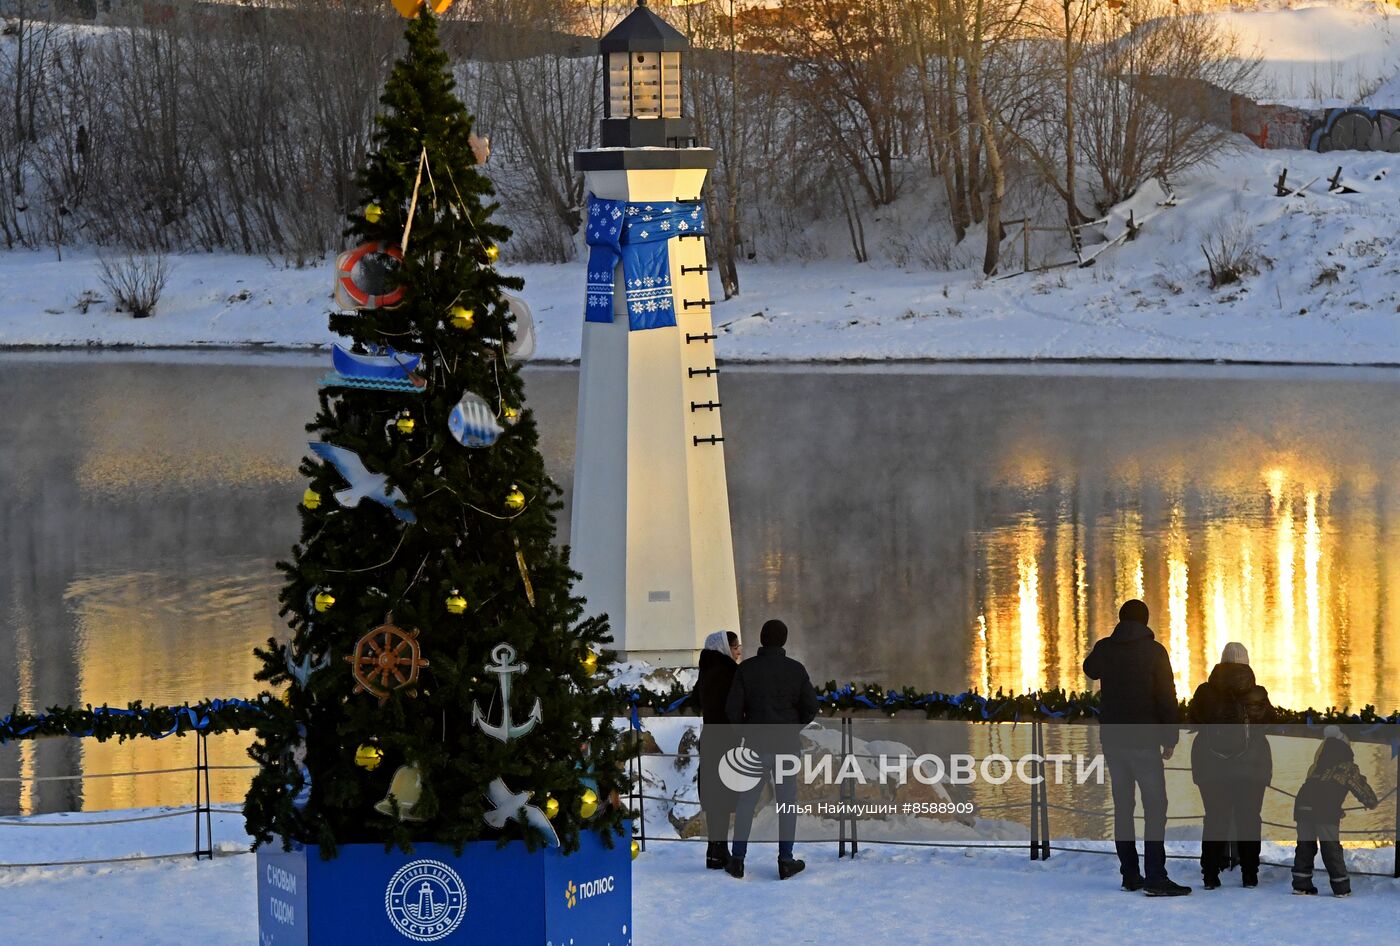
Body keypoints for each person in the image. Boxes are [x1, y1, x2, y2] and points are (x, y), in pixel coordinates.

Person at [1083, 599, 1190, 896]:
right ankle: (1156, 875)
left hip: (1114, 742)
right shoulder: (1155, 652)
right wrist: (1170, 738)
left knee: (1123, 809)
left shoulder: (1106, 647)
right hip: (1145, 741)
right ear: (1145, 621)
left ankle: (1130, 874)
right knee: (1156, 807)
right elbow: (1167, 696)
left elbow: (1089, 669)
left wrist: (1106, 646)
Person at [724, 619, 819, 881]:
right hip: (786, 747)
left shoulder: (747, 669)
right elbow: (811, 706)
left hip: (755, 746)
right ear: (784, 640)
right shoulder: (796, 670)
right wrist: (792, 727)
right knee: (787, 804)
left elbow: (732, 709)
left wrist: (746, 731)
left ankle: (738, 860)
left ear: (762, 639)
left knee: (746, 804)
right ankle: (785, 860)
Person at [1188, 641, 1274, 889]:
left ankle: (1210, 875)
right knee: (1249, 818)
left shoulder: (1205, 692)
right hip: (1251, 766)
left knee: (1215, 818)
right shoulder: (1257, 694)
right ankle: (1249, 874)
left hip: (1211, 767)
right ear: (1246, 662)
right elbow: (1270, 720)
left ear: (1222, 661)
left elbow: (1193, 719)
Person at [1292, 726, 1378, 896]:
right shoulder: (1347, 767)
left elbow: (1318, 789)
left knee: (1305, 846)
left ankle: (1301, 885)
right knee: (1331, 848)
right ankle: (1341, 888)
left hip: (1303, 806)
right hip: (1324, 811)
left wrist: (1335, 809)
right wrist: (1371, 802)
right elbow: (1362, 790)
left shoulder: (1317, 765)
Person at [694, 630, 742, 870]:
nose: (738, 652)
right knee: (724, 796)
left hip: (709, 737)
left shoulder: (705, 671)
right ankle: (721, 851)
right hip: (727, 739)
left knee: (713, 796)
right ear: (725, 648)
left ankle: (713, 850)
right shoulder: (731, 673)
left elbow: (696, 699)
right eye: (735, 648)